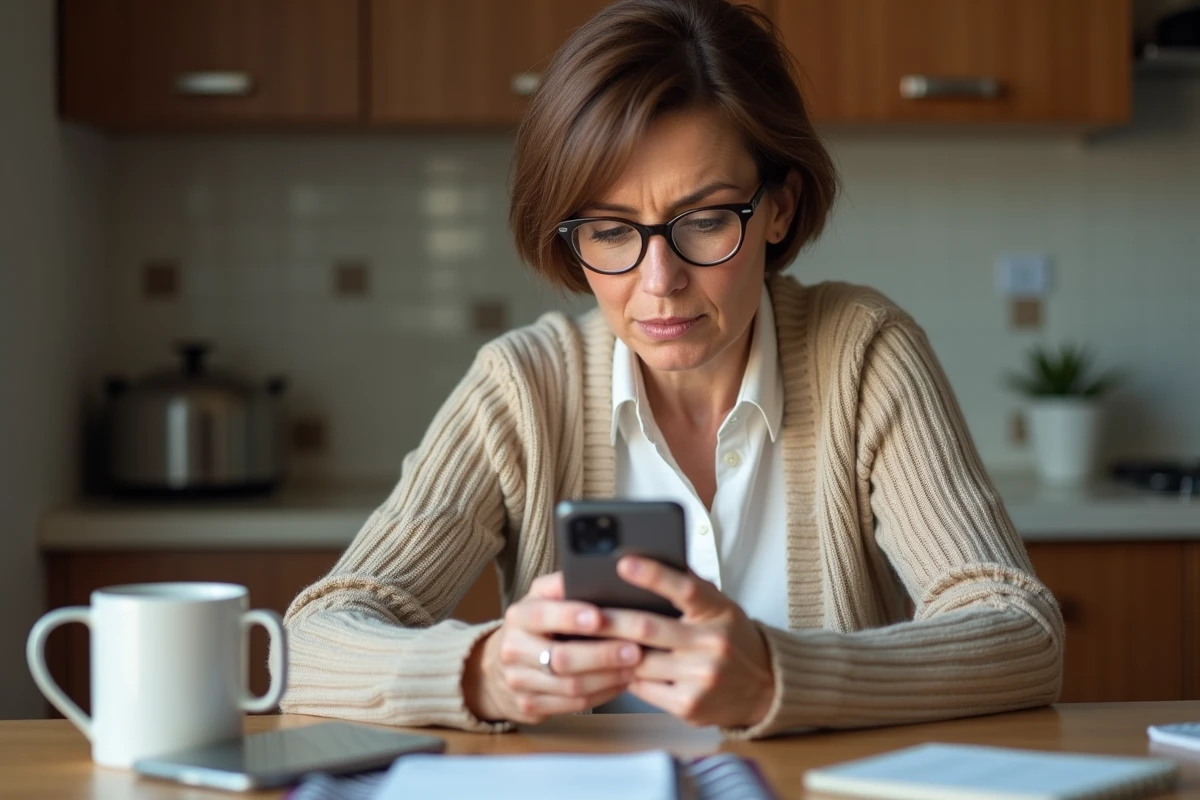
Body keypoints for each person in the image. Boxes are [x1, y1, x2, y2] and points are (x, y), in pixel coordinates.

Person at [277, 0, 1063, 739]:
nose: (659, 282)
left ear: (779, 207)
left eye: (706, 220)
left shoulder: (862, 354)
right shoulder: (524, 387)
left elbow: (1022, 633)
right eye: (612, 232)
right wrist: (482, 672)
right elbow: (315, 639)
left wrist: (774, 678)